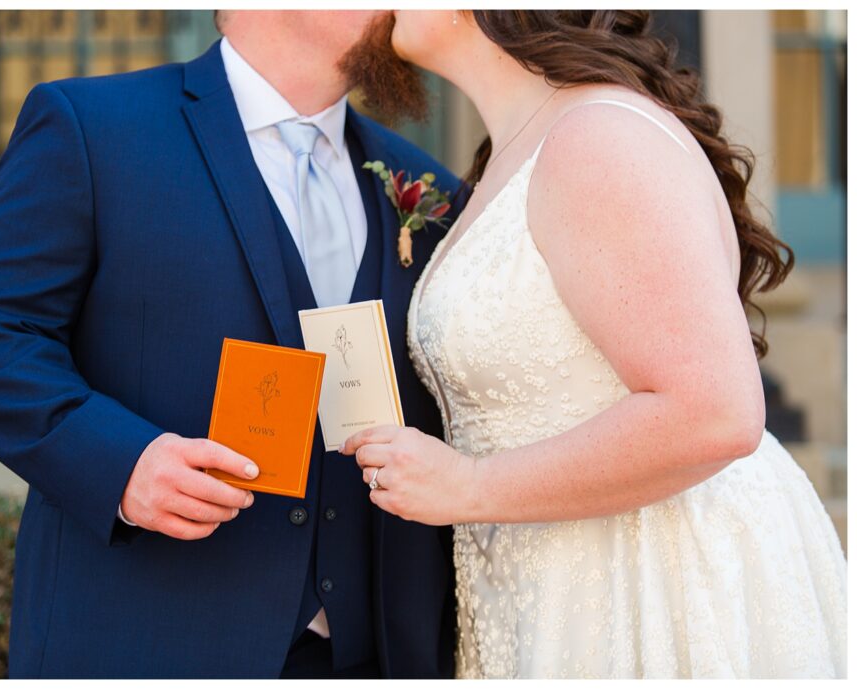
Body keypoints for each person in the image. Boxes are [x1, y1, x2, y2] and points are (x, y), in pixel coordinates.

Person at [0, 10, 465, 678]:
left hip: (370, 653)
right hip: (152, 640)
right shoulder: (93, 128)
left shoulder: (427, 188)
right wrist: (124, 464)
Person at [342, 9, 847, 678]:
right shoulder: (513, 153)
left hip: (648, 583)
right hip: (542, 588)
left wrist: (469, 484)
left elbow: (716, 410)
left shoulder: (596, 136)